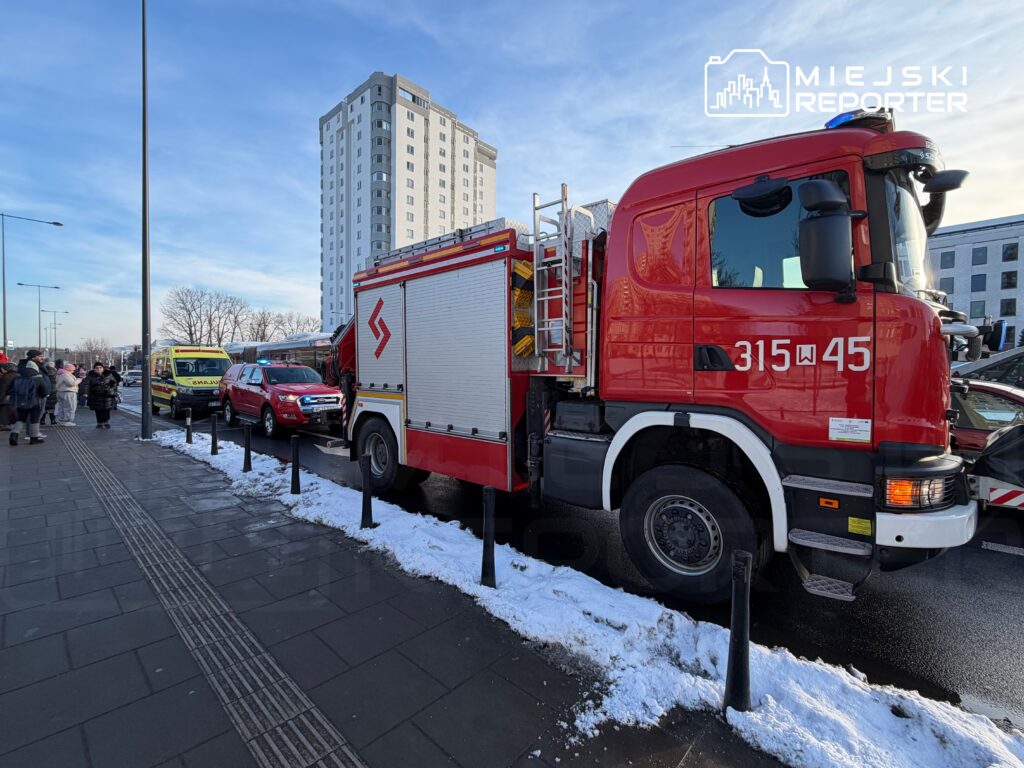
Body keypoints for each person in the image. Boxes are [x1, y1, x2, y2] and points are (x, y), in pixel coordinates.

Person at [9, 349, 51, 445]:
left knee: (21, 418)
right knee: (34, 418)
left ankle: (14, 435)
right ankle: (34, 438)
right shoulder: (34, 372)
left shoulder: (21, 369)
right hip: (35, 398)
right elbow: (42, 386)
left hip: (21, 398)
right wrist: (45, 393)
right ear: (33, 357)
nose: (42, 357)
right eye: (40, 356)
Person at [85, 362, 117, 428]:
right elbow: (86, 385)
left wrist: (111, 389)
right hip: (95, 396)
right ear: (94, 369)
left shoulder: (108, 374)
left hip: (107, 395)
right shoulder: (91, 376)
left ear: (103, 368)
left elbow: (114, 383)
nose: (98, 369)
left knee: (107, 409)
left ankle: (106, 422)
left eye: (100, 368)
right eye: (96, 368)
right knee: (98, 410)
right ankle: (99, 423)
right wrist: (86, 393)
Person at [0, 362, 18, 430]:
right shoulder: (18, 375)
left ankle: (4, 425)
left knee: (4, 412)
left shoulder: (6, 377)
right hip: (16, 397)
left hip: (7, 398)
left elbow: (3, 389)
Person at [42, 362, 58, 426]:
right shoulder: (56, 372)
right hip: (54, 390)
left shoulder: (43, 372)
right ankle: (53, 420)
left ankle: (42, 420)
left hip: (45, 389)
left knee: (44, 406)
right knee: (53, 406)